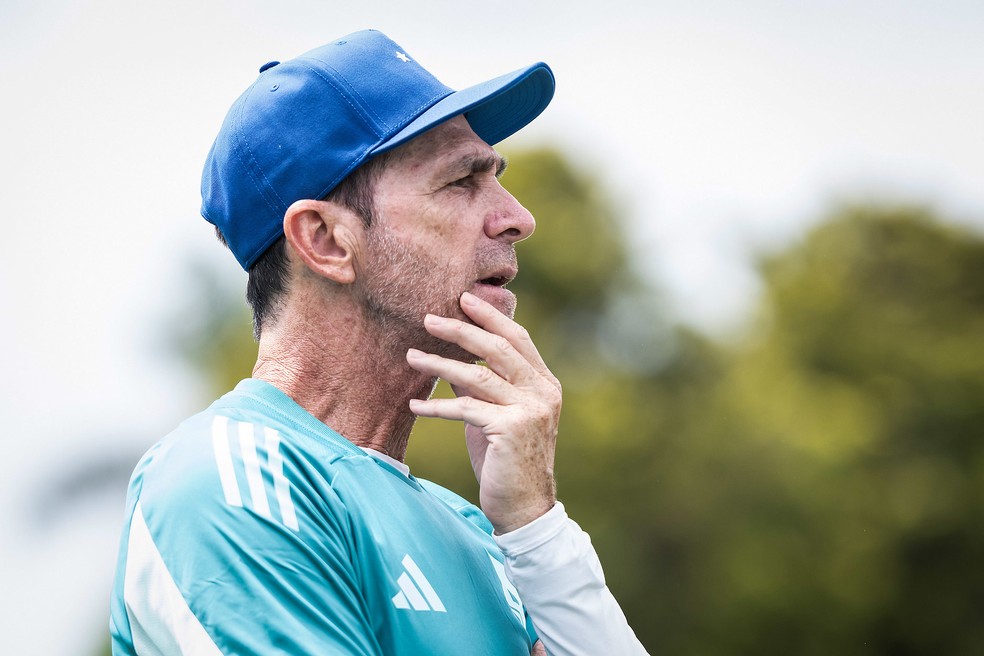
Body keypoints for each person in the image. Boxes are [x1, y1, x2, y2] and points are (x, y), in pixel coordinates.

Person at [110, 29, 646, 655]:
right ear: (326, 240)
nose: (517, 218)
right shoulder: (231, 480)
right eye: (461, 182)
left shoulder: (472, 530)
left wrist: (535, 528)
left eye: (496, 175)